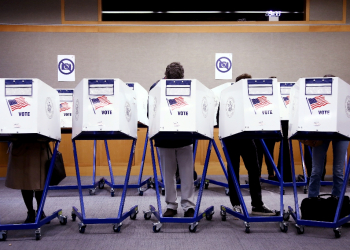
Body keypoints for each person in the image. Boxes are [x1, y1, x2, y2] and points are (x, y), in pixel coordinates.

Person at [223, 73, 276, 216]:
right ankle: (236, 204)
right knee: (233, 172)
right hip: (232, 140)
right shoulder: (228, 97)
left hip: (248, 139)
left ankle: (257, 205)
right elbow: (220, 118)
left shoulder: (252, 98)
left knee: (254, 170)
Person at [149, 62, 195, 217]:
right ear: (166, 77)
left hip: (184, 137)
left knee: (187, 173)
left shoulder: (189, 87)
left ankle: (188, 206)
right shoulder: (156, 89)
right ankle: (171, 205)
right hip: (165, 138)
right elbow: (151, 113)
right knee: (168, 174)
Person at [308, 74, 348, 198]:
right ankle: (312, 200)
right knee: (316, 171)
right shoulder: (317, 97)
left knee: (338, 171)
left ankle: (337, 201)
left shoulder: (344, 96)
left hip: (341, 132)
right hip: (321, 132)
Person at [5, 140, 50, 223]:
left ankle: (39, 212)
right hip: (22, 146)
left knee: (40, 182)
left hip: (39, 146)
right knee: (25, 181)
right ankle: (31, 212)